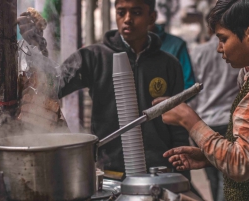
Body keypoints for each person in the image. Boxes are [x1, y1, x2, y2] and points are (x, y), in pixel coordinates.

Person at [17, 0, 191, 182]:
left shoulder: (169, 65)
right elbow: (52, 87)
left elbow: (178, 128)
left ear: (152, 17)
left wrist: (182, 179)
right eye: (121, 12)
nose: (127, 19)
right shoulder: (94, 57)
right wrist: (37, 48)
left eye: (137, 12)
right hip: (110, 174)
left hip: (158, 173)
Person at [154, 0, 249, 200]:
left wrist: (189, 120)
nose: (219, 49)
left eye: (223, 39)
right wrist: (208, 157)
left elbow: (241, 164)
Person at [188, 25, 239, 201]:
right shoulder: (238, 52)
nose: (220, 48)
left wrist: (192, 121)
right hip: (228, 120)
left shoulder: (198, 52)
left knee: (216, 179)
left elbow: (192, 90)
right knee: (226, 179)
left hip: (204, 122)